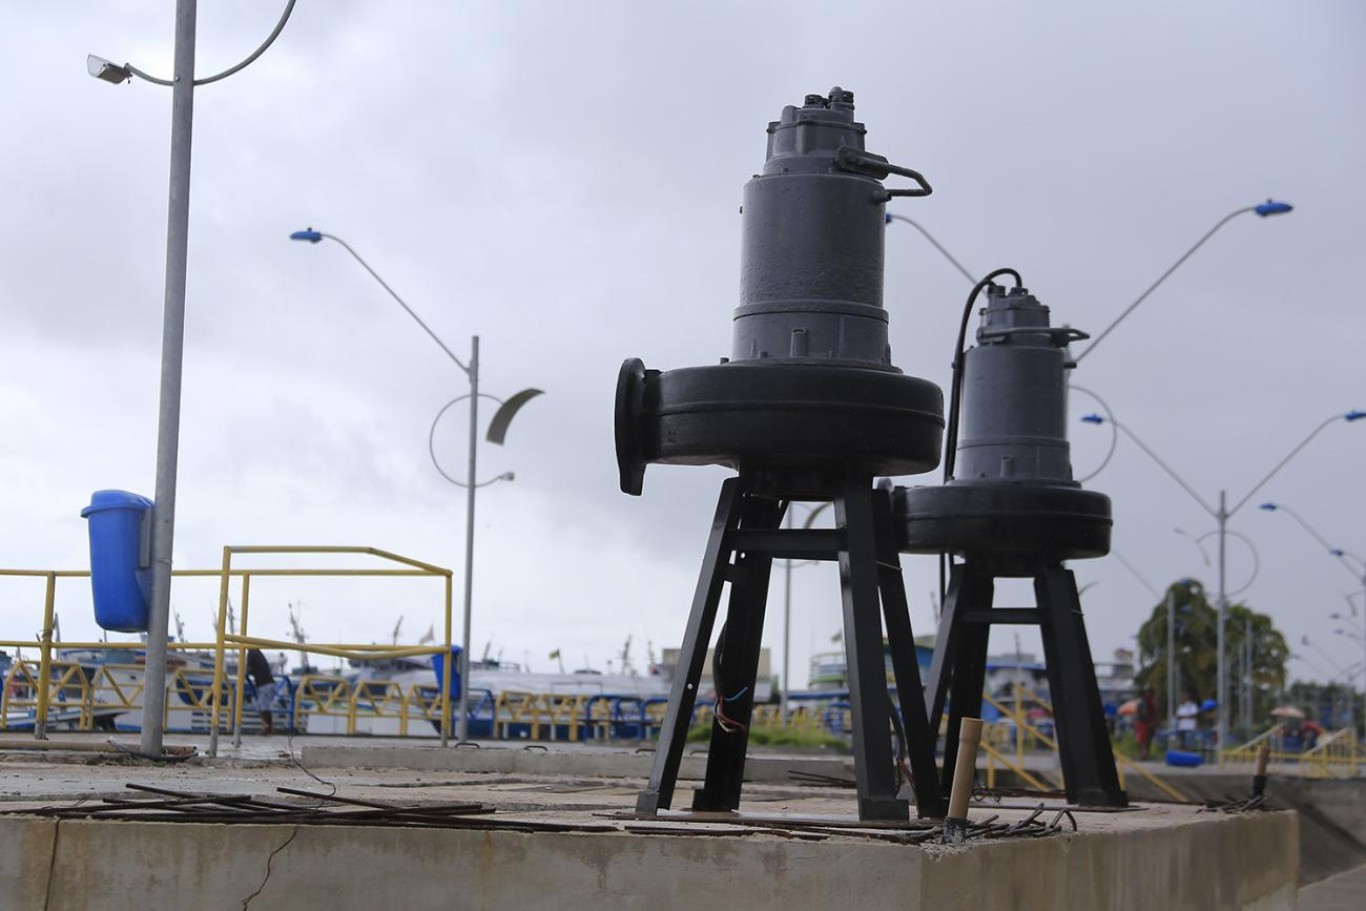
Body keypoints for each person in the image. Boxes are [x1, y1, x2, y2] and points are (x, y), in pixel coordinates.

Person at [246, 648, 276, 735]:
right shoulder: (258, 653)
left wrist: (246, 671)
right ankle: (268, 726)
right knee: (262, 705)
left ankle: (268, 727)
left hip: (264, 684)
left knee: (263, 706)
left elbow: (249, 669)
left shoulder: (251, 653)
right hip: (268, 682)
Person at [1135, 687, 1158, 760]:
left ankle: (1144, 755)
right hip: (1144, 723)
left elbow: (1147, 713)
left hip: (1145, 723)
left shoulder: (1148, 702)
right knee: (1143, 740)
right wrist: (1150, 722)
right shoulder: (1145, 702)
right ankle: (1143, 755)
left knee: (1145, 740)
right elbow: (1144, 713)